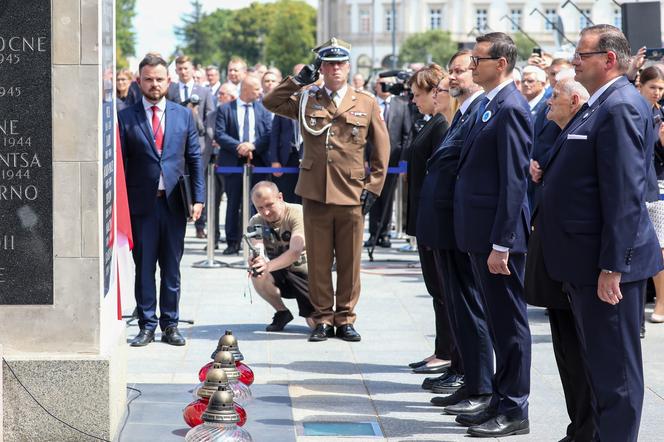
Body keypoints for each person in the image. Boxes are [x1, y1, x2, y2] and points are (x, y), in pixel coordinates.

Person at [539, 24, 662, 442]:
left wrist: (613, 264)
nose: (574, 60)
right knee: (599, 367)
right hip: (584, 261)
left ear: (608, 60)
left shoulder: (620, 106)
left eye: (581, 54)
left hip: (606, 267)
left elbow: (625, 194)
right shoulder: (599, 104)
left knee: (617, 376)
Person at [263, 37, 389, 342]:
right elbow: (271, 102)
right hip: (316, 191)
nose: (334, 69)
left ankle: (344, 317)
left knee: (349, 260)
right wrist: (296, 81)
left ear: (347, 67)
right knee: (318, 259)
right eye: (328, 64)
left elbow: (382, 148)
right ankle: (321, 318)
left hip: (351, 191)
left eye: (340, 63)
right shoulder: (308, 98)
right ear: (321, 67)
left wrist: (373, 187)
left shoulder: (366, 101)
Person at [453, 32, 532, 437]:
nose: (471, 66)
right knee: (497, 321)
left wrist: (503, 241)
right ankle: (500, 400)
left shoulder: (511, 107)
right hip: (480, 232)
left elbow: (514, 181)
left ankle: (515, 407)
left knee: (509, 324)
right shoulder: (490, 104)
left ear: (501, 63)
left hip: (498, 237)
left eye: (478, 59)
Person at [416, 50, 494, 412]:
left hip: (461, 227)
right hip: (446, 226)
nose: (452, 78)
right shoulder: (463, 111)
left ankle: (480, 386)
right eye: (451, 71)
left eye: (460, 71)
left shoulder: (481, 109)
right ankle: (467, 379)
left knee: (470, 308)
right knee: (458, 308)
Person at [525, 75, 596, 442]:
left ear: (574, 101)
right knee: (565, 354)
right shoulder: (563, 133)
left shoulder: (583, 131)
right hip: (556, 259)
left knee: (580, 354)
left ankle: (587, 429)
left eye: (555, 96)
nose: (548, 102)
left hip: (575, 261)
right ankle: (578, 427)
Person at [118, 54, 205, 347]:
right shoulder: (126, 117)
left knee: (171, 267)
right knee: (144, 268)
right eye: (148, 79)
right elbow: (121, 163)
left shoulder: (183, 115)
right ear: (139, 81)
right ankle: (146, 325)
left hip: (174, 204)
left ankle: (170, 324)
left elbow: (194, 158)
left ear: (168, 81)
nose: (154, 85)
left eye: (159, 79)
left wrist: (199, 198)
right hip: (141, 206)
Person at [401, 65, 455, 374]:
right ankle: (442, 348)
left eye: (418, 94)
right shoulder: (432, 122)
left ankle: (447, 351)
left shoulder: (441, 125)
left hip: (433, 217)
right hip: (423, 215)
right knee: (437, 289)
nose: (414, 100)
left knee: (442, 289)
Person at [215, 75, 273, 255]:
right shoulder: (225, 109)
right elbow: (219, 133)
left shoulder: (263, 109)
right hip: (233, 162)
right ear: (246, 89)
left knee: (257, 205)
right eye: (256, 89)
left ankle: (256, 241)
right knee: (233, 202)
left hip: (257, 162)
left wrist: (253, 146)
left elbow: (269, 133)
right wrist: (239, 146)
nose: (260, 92)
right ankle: (232, 242)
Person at [247, 181, 315, 331]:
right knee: (257, 273)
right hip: (281, 273)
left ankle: (321, 309)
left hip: (306, 274)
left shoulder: (297, 213)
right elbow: (257, 246)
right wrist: (256, 260)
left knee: (316, 325)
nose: (265, 212)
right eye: (260, 207)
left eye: (269, 205)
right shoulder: (256, 221)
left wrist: (267, 265)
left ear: (280, 197)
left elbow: (295, 251)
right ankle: (282, 312)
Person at [167, 55, 216, 239]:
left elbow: (210, 117)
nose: (183, 72)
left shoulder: (203, 92)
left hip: (200, 145)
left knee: (198, 183)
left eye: (186, 68)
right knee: (177, 182)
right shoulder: (171, 89)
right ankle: (179, 218)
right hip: (177, 145)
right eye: (179, 69)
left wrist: (209, 143)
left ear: (192, 69)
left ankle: (200, 225)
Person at [365, 77, 413, 248]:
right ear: (375, 86)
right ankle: (372, 234)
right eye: (381, 83)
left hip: (392, 161)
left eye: (388, 83)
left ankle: (384, 233)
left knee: (387, 198)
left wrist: (403, 161)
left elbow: (407, 134)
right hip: (371, 161)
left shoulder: (401, 104)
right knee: (371, 196)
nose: (385, 87)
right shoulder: (369, 103)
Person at [639, 65, 664, 324]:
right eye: (652, 87)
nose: (656, 92)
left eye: (660, 88)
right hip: (643, 184)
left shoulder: (660, 114)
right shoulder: (635, 109)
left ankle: (661, 300)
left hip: (657, 187)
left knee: (659, 245)